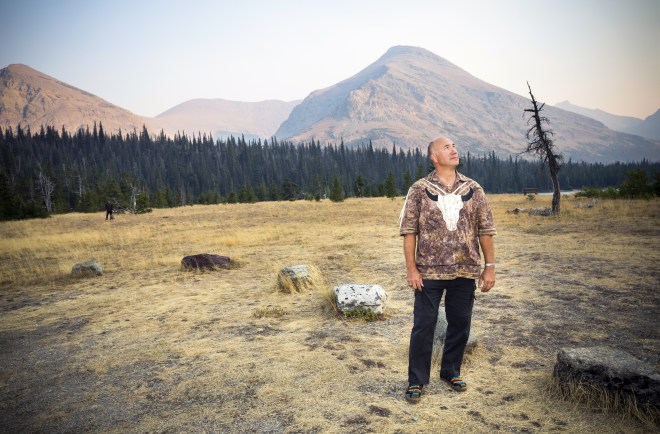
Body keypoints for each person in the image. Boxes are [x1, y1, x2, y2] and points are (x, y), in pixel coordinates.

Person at [398, 136, 496, 404]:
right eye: (446, 147)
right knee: (423, 325)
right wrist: (411, 269)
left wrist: (489, 268)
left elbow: (485, 230)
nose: (453, 150)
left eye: (453, 146)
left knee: (461, 324)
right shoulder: (418, 189)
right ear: (433, 157)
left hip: (465, 270)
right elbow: (409, 232)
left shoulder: (474, 188)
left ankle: (450, 372)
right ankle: (416, 380)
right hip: (428, 272)